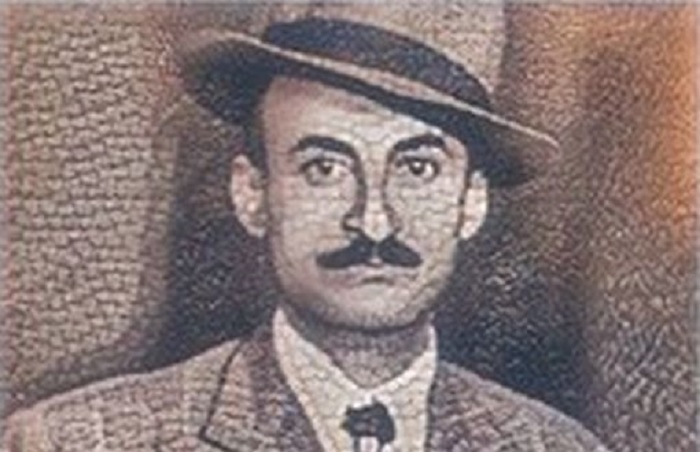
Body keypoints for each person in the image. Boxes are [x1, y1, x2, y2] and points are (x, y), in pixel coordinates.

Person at [4, 16, 610, 452]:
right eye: (324, 168)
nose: (374, 221)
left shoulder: (556, 447)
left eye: (417, 168)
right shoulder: (75, 441)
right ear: (252, 194)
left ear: (471, 202)